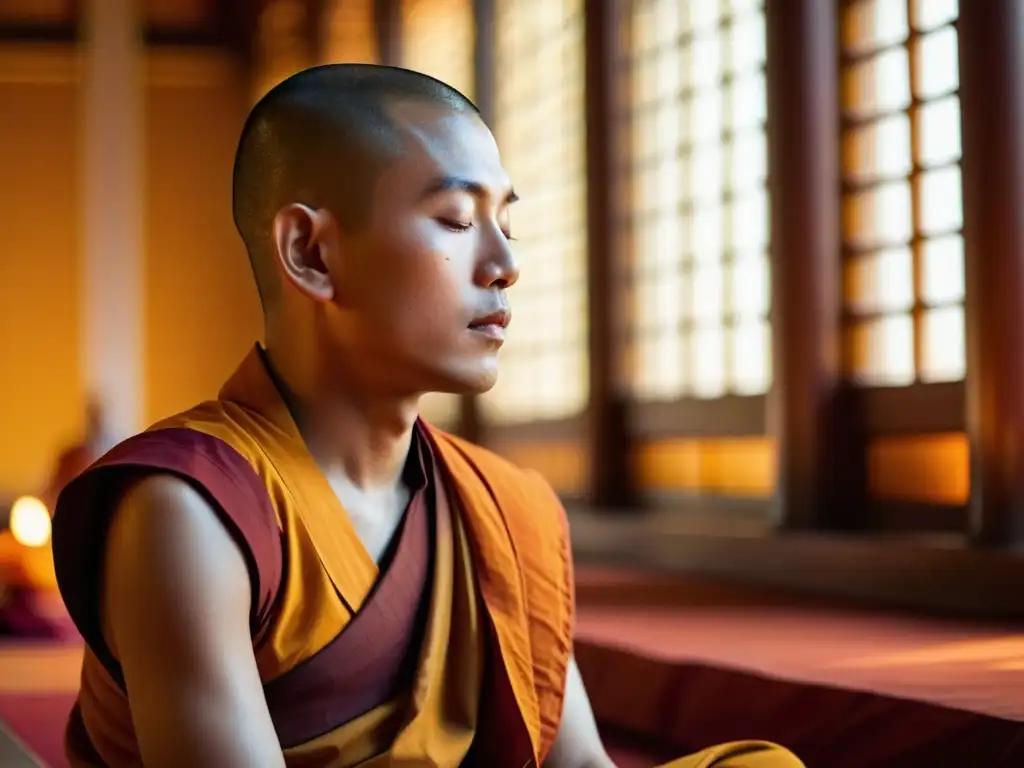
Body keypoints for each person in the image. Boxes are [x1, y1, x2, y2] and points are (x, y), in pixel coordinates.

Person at [51, 65, 803, 768]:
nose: (505, 262)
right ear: (311, 252)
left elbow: (575, 763)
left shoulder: (502, 506)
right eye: (454, 219)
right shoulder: (191, 510)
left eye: (506, 221)